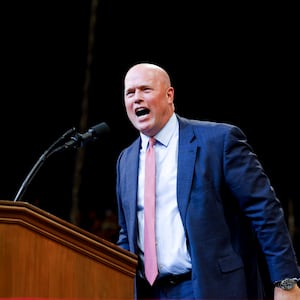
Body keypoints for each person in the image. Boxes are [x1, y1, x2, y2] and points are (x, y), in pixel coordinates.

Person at [115, 62, 300, 300]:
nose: (137, 98)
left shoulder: (219, 141)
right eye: (130, 93)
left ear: (169, 95)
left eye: (145, 90)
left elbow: (265, 211)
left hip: (209, 288)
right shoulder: (126, 160)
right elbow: (127, 235)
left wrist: (285, 282)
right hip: (149, 292)